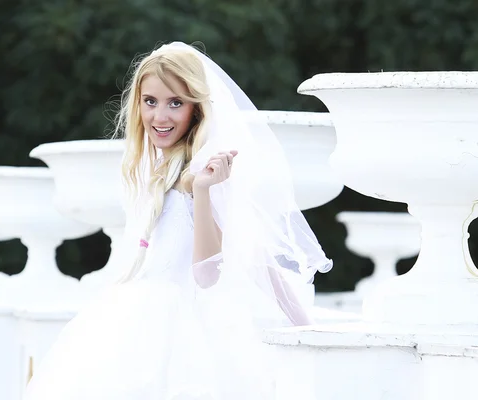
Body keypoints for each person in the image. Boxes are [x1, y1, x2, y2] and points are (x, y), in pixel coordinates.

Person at [23, 42, 332, 400]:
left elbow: (210, 273)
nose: (160, 116)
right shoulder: (156, 168)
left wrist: (307, 329)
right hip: (133, 322)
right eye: (150, 101)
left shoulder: (204, 171)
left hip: (183, 329)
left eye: (176, 103)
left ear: (197, 109)